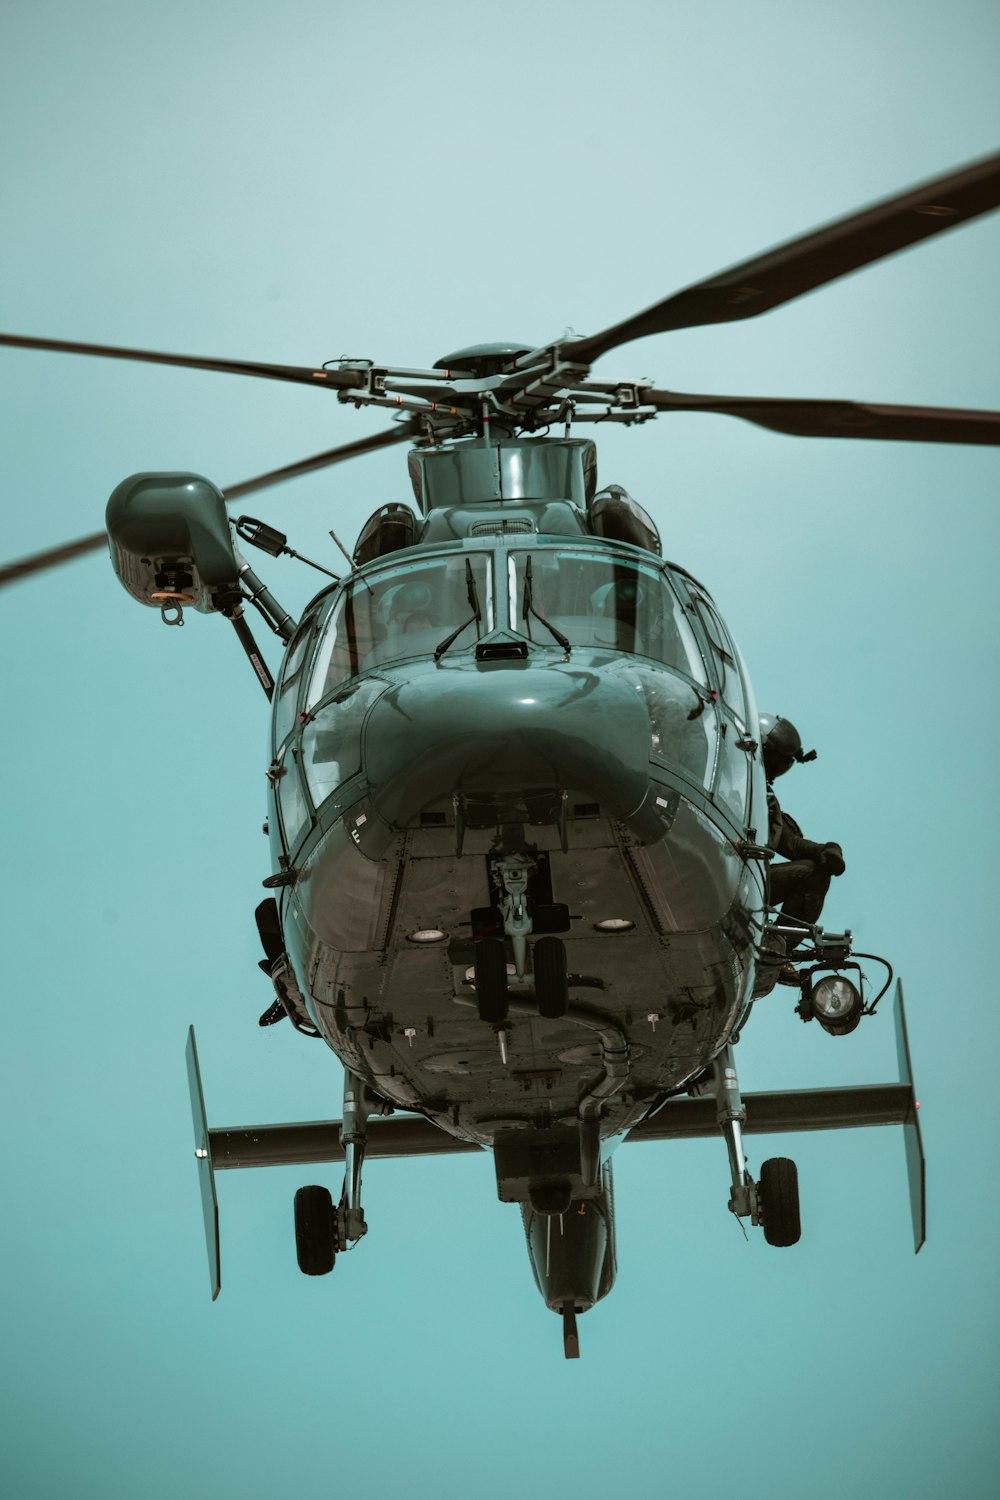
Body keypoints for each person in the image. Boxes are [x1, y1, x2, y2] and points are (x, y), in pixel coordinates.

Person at [761, 714, 845, 950]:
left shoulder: (764, 803)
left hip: (740, 876)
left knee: (815, 873)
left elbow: (792, 845)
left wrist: (827, 850)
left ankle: (777, 949)